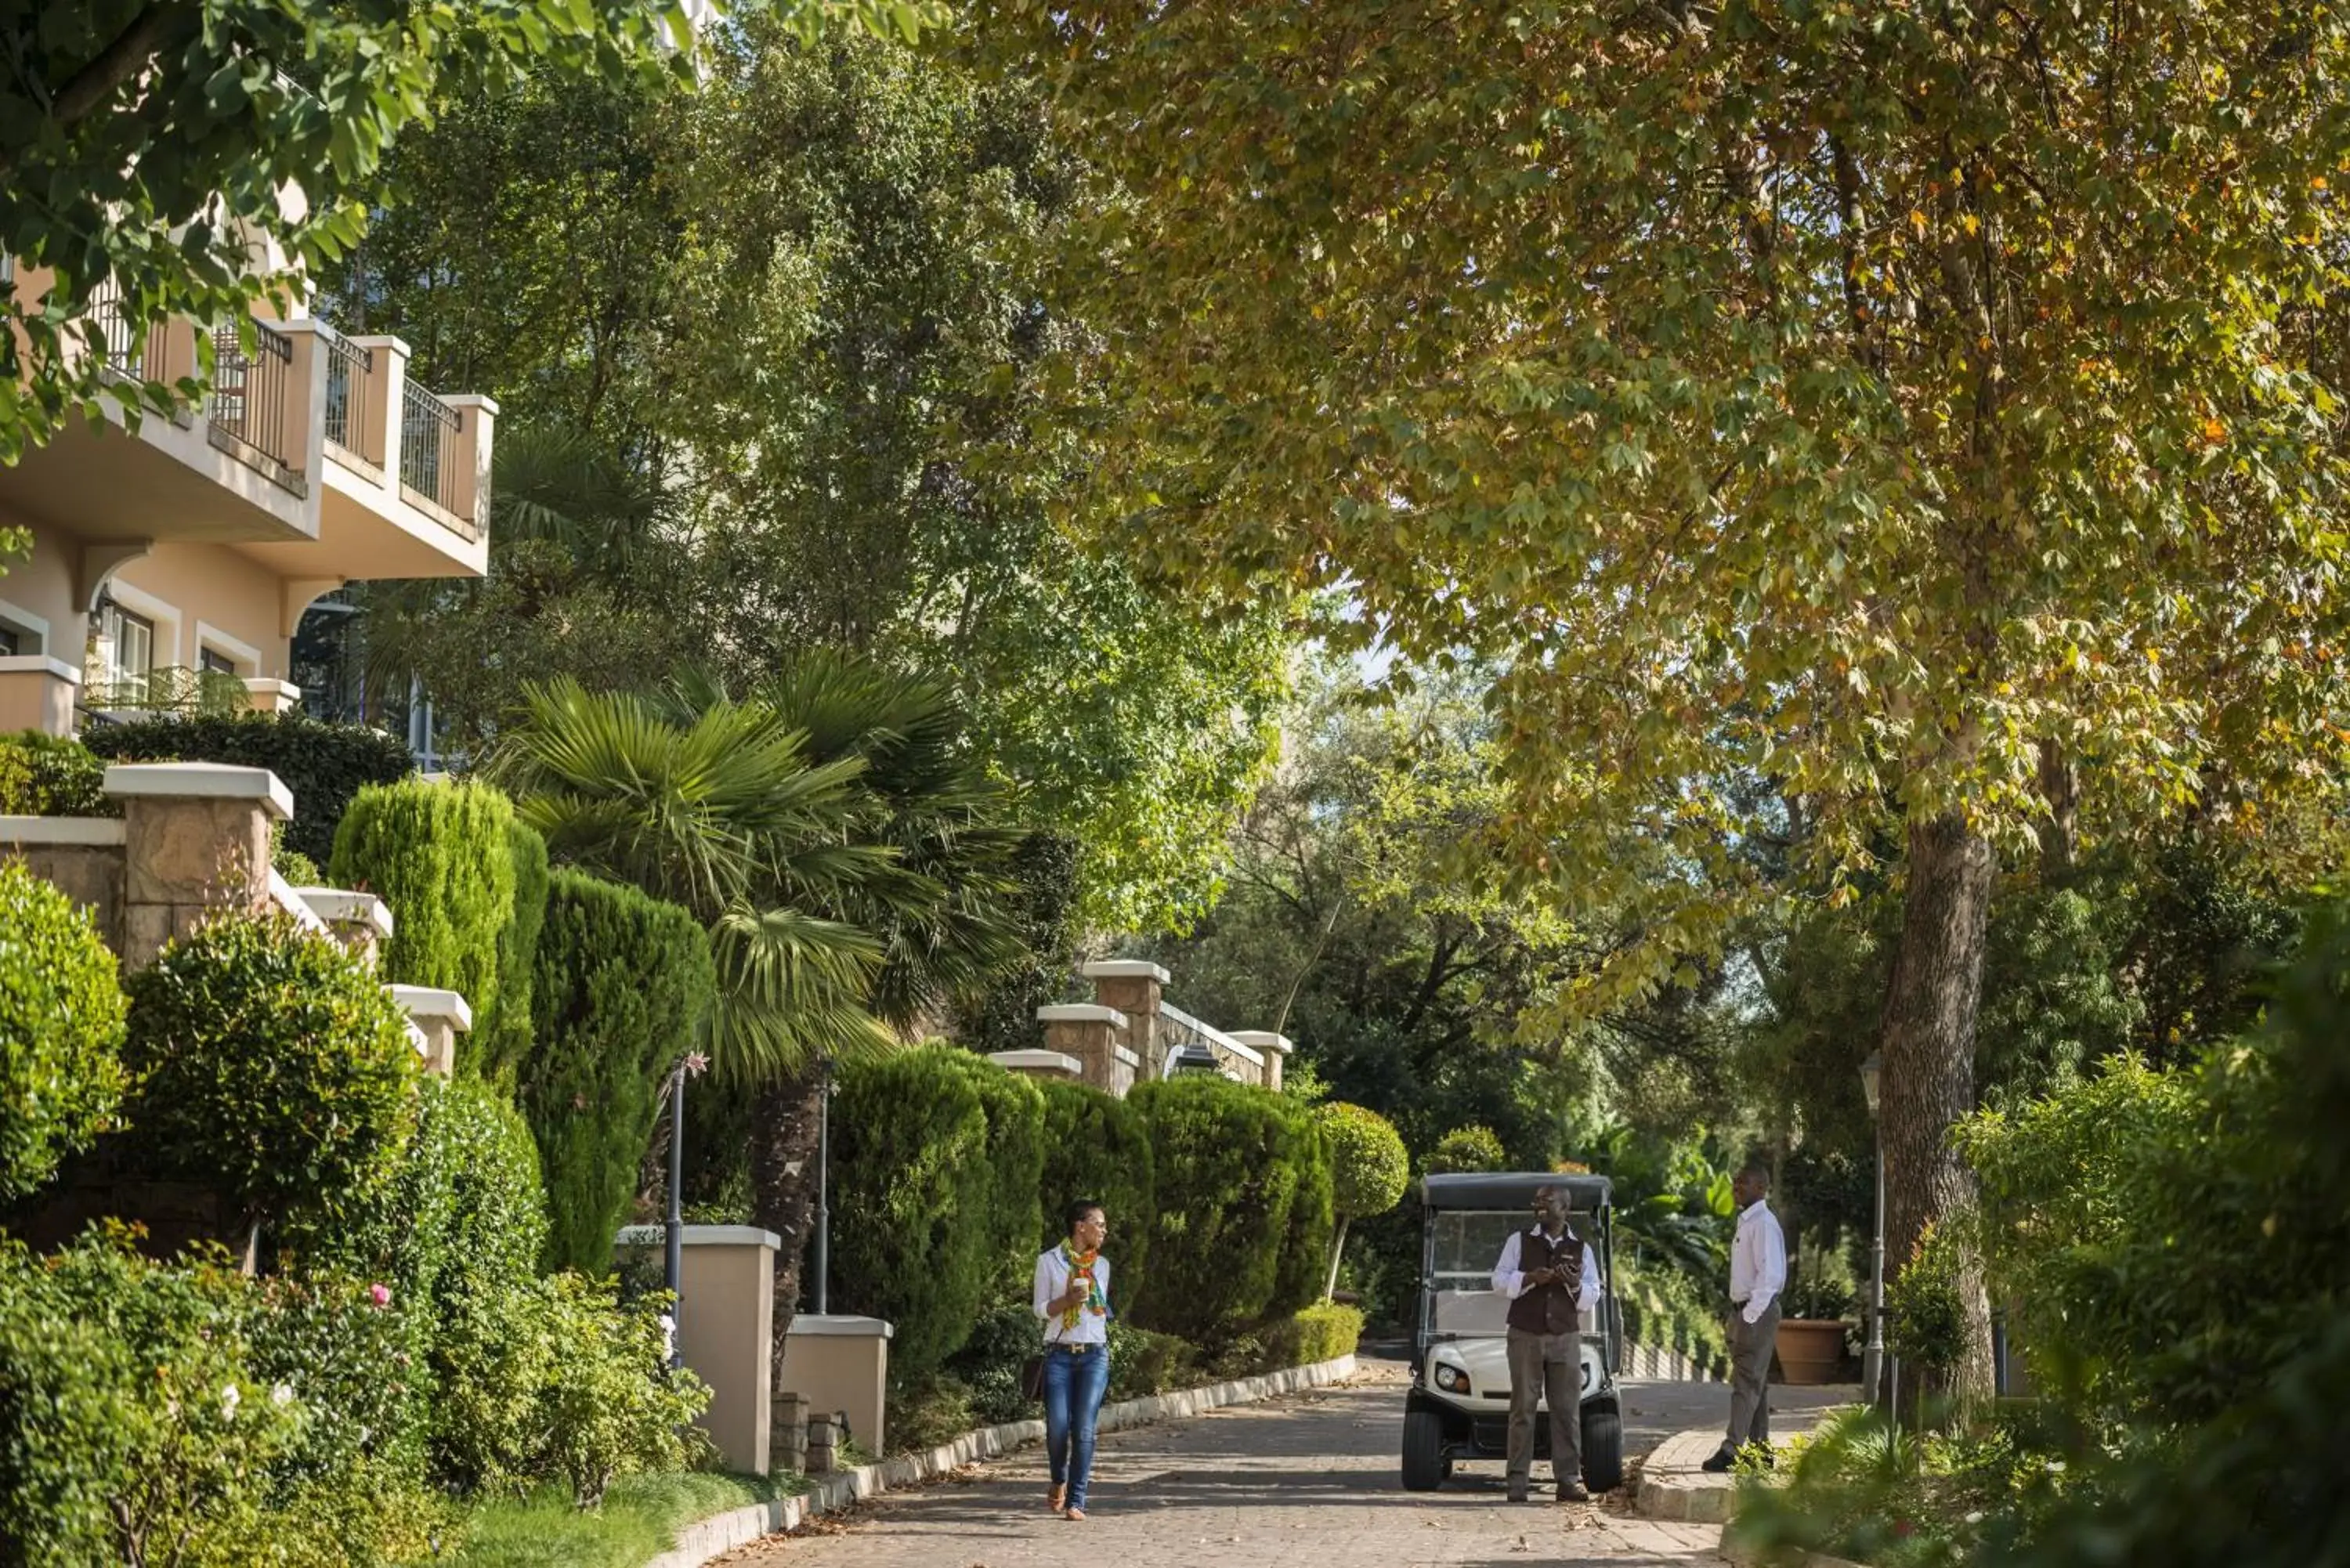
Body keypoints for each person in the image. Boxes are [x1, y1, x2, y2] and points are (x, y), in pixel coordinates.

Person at [1491, 1183, 1603, 1503]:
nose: (1539, 1205)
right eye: (1537, 1201)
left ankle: (1568, 1480)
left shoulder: (1583, 1249)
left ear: (1564, 1208)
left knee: (1566, 1411)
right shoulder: (1519, 1241)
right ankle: (1517, 1482)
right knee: (1522, 1409)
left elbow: (1593, 1296)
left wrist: (1575, 1284)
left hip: (1565, 1337)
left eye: (1546, 1201)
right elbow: (1498, 1280)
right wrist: (1528, 1278)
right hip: (1525, 1334)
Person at [1703, 1163, 1787, 1472]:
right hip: (1746, 1311)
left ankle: (1731, 1450)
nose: (1737, 1186)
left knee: (1746, 1383)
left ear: (1761, 1188)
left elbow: (1771, 1274)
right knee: (1756, 1384)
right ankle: (1760, 1450)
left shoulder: (1763, 1223)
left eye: (1744, 1182)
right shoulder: (1748, 1221)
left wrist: (1751, 1315)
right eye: (1736, 1182)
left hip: (1757, 1312)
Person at [1033, 1198, 1113, 1519]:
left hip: (1094, 1355)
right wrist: (1066, 1300)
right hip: (1059, 1356)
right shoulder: (1049, 1261)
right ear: (1081, 1226)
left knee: (1084, 1429)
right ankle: (1058, 1481)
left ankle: (1076, 1500)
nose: (1104, 1231)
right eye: (1100, 1224)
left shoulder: (1102, 1266)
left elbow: (1100, 1313)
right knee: (1057, 1429)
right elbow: (1039, 1310)